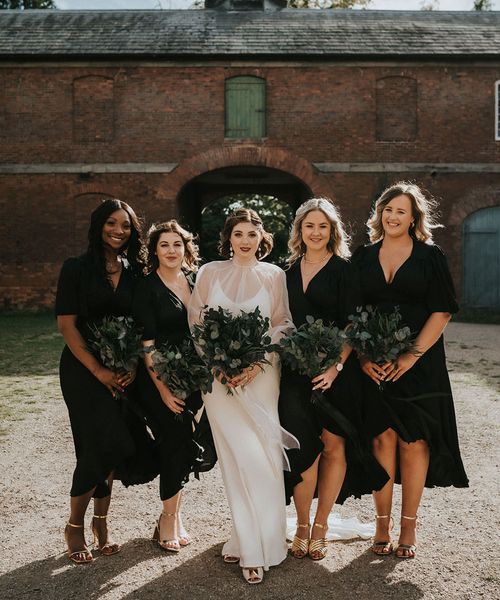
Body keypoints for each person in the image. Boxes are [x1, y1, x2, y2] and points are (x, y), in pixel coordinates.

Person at [352, 182, 469, 559]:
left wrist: (411, 356)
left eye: (401, 211)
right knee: (381, 439)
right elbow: (351, 313)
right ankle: (382, 525)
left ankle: (408, 526)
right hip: (374, 362)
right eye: (388, 209)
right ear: (379, 213)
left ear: (414, 217)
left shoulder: (429, 256)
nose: (393, 216)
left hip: (419, 363)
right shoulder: (363, 257)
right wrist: (362, 358)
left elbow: (442, 310)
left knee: (413, 441)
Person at [188, 208, 298, 585]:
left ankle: (264, 540)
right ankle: (248, 545)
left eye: (252, 234)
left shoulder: (274, 275)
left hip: (262, 376)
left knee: (263, 456)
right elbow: (196, 324)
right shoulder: (208, 273)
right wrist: (216, 363)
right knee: (238, 459)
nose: (246, 240)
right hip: (218, 381)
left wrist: (258, 361)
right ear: (228, 238)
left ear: (261, 238)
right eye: (239, 234)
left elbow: (283, 323)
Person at [279, 198, 389, 561]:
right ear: (300, 230)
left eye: (322, 226)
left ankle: (320, 527)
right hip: (295, 374)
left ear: (332, 230)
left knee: (333, 446)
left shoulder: (345, 270)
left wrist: (335, 367)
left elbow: (353, 322)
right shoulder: (286, 271)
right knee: (303, 451)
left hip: (336, 374)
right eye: (309, 226)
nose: (315, 232)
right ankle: (300, 525)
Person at [56, 198, 148, 564]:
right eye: (112, 223)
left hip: (125, 370)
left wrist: (135, 367)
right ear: (98, 226)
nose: (118, 231)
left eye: (126, 226)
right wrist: (98, 370)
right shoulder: (76, 268)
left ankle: (102, 523)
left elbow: (141, 325)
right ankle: (74, 526)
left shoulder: (136, 270)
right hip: (83, 372)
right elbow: (66, 324)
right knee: (97, 445)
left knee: (113, 446)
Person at [133, 220, 203, 552]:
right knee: (175, 441)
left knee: (185, 445)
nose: (172, 250)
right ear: (155, 251)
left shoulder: (195, 280)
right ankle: (168, 519)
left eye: (177, 244)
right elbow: (147, 345)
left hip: (194, 379)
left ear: (185, 247)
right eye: (164, 245)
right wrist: (163, 389)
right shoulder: (146, 287)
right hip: (159, 379)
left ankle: (174, 516)